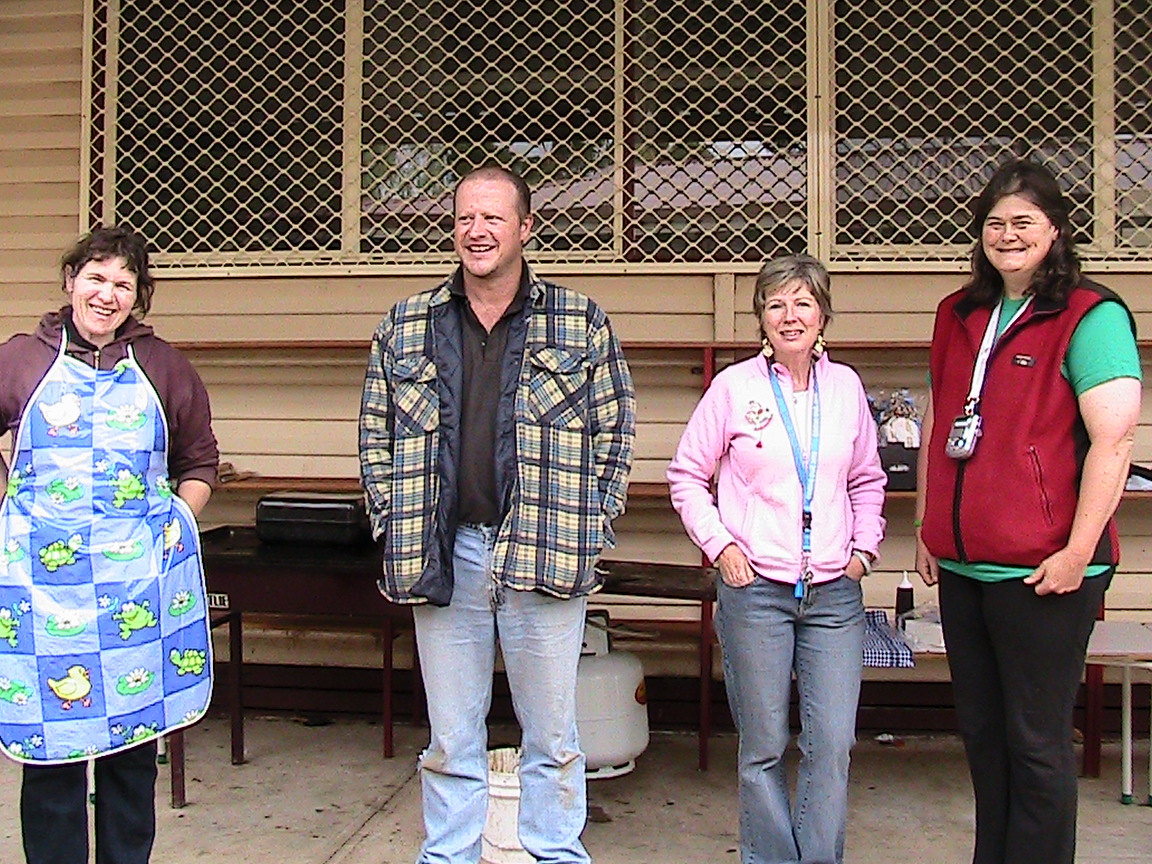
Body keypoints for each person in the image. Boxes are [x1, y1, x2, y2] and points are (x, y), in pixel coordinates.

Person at [358, 165, 635, 864]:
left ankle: (556, 854)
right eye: (464, 218)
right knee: (452, 741)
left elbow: (617, 431)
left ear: (525, 228)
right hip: (444, 552)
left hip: (545, 547)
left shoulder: (579, 320)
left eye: (492, 218)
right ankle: (448, 855)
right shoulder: (405, 324)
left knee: (553, 739)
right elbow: (374, 438)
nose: (476, 231)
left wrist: (591, 529)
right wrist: (393, 523)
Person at [914, 159, 1141, 864]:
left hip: (1045, 570)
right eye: (995, 223)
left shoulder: (1090, 315)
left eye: (1023, 222)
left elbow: (1115, 441)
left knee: (1036, 740)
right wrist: (927, 525)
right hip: (963, 566)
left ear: (1056, 231)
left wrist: (1076, 552)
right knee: (984, 737)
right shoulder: (958, 313)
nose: (1007, 236)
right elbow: (939, 418)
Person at [0, 226, 219, 864]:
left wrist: (173, 525)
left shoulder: (164, 367)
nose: (107, 294)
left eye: (123, 284)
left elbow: (200, 461)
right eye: (96, 277)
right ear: (71, 281)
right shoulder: (20, 359)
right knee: (52, 760)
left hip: (134, 596)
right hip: (44, 594)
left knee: (130, 757)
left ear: (138, 296)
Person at [667, 254, 886, 864]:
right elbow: (686, 475)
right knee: (763, 745)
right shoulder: (734, 387)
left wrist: (863, 550)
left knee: (832, 744)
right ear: (761, 318)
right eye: (775, 304)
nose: (790, 316)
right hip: (756, 591)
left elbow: (868, 478)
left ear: (823, 315)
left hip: (834, 594)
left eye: (803, 303)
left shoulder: (845, 388)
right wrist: (721, 546)